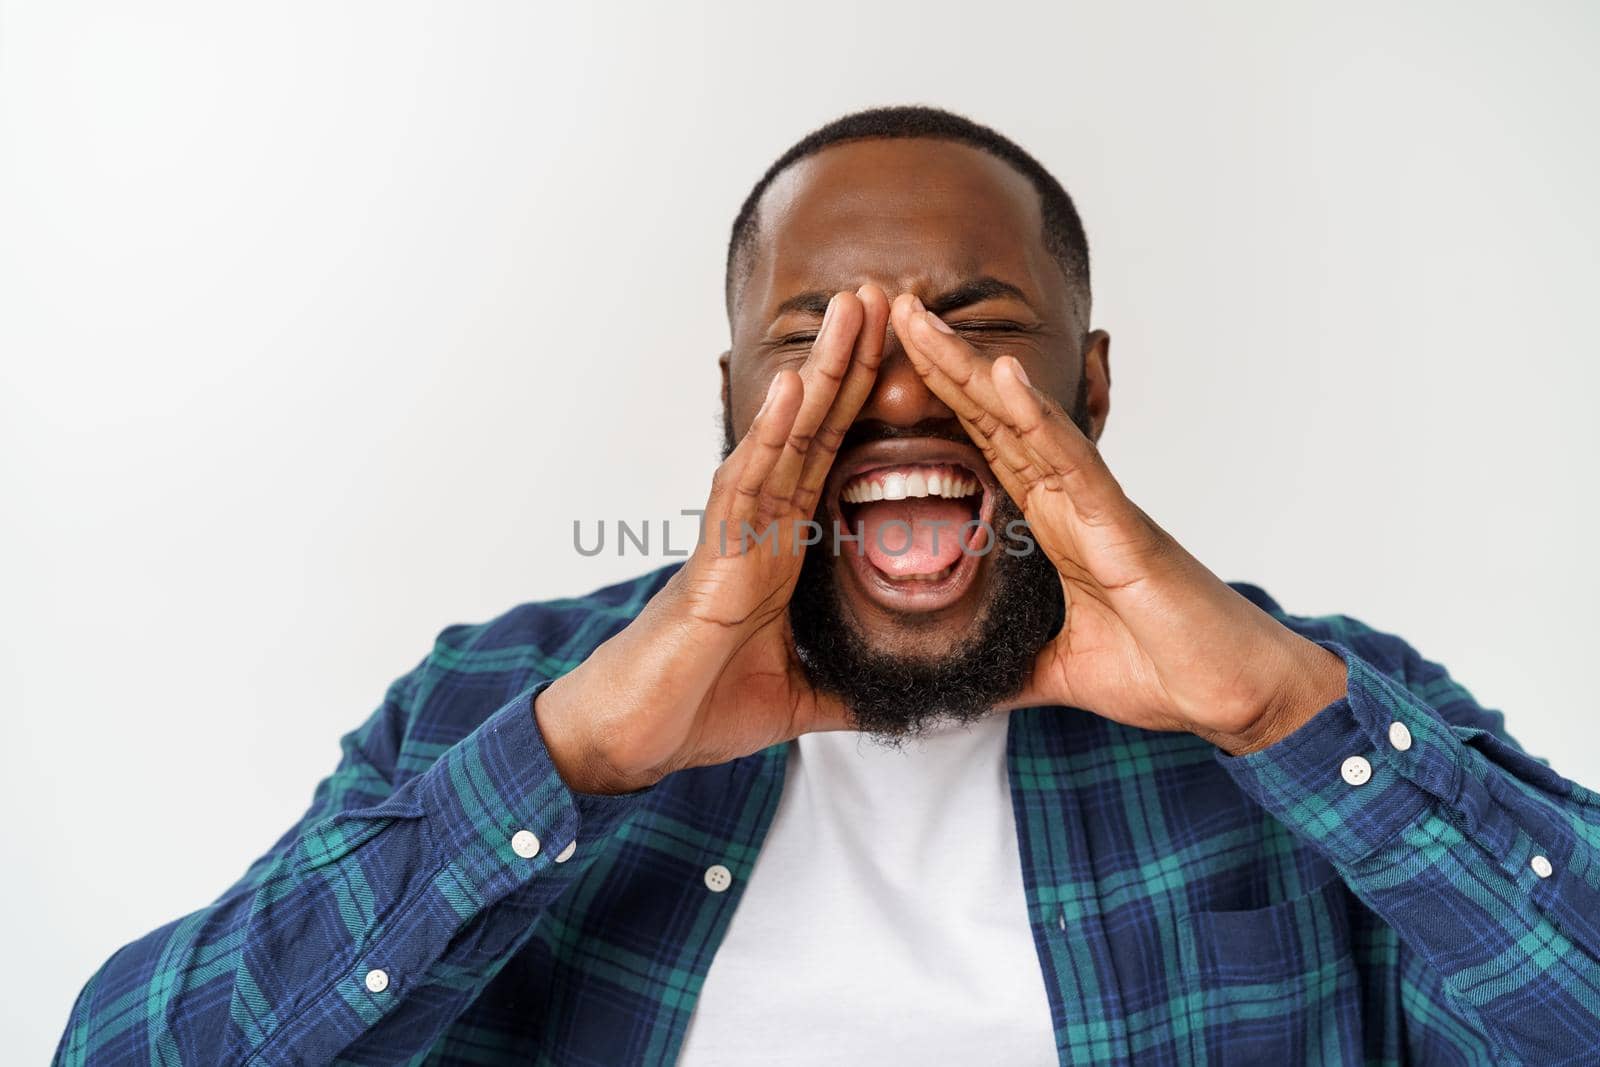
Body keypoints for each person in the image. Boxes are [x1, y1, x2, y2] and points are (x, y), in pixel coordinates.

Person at [55, 106, 1600, 1066]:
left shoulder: (1317, 701)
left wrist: (1284, 720)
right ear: (732, 399)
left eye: (970, 325)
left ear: (1095, 388)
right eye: (819, 344)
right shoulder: (498, 704)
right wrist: (572, 761)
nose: (897, 398)